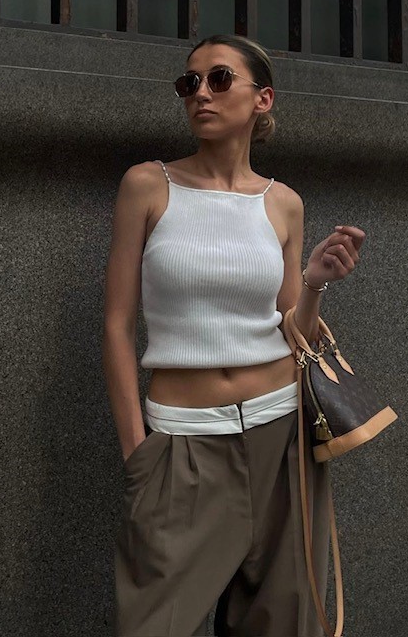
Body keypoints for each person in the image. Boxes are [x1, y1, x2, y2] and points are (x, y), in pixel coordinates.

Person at [102, 34, 365, 637]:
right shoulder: (148, 185)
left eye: (218, 80)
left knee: (285, 621)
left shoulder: (284, 204)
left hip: (282, 437)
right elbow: (117, 324)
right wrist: (137, 455)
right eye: (188, 83)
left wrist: (315, 282)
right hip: (183, 444)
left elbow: (292, 327)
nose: (199, 93)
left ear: (262, 98)